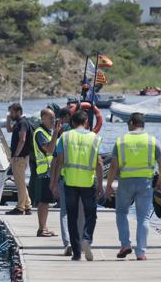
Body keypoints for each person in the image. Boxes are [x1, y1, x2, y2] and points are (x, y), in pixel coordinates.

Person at [105, 113, 161, 260]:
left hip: (125, 182)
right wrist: (160, 181)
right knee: (143, 217)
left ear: (131, 123)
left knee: (121, 213)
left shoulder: (121, 141)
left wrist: (108, 185)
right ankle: (141, 252)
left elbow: (113, 166)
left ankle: (125, 244)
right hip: (145, 182)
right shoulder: (153, 141)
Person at [50, 110, 103, 261]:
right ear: (86, 122)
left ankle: (77, 253)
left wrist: (54, 183)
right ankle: (86, 239)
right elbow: (99, 163)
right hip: (88, 182)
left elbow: (59, 161)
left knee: (71, 217)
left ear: (72, 123)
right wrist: (99, 184)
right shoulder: (94, 138)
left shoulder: (65, 137)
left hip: (70, 182)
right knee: (91, 214)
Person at [33, 109, 60, 237]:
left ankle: (44, 227)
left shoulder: (48, 132)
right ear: (43, 118)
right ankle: (41, 229)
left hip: (50, 171)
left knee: (47, 201)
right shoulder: (39, 132)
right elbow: (49, 149)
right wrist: (56, 133)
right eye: (50, 118)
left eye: (54, 118)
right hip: (44, 172)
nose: (53, 121)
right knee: (43, 201)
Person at [5, 103, 33, 215]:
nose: (10, 114)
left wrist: (16, 155)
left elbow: (22, 139)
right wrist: (8, 119)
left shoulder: (22, 123)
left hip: (20, 158)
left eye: (12, 112)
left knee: (20, 184)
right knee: (21, 182)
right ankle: (27, 205)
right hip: (21, 157)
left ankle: (20, 208)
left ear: (18, 112)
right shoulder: (19, 123)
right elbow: (8, 130)